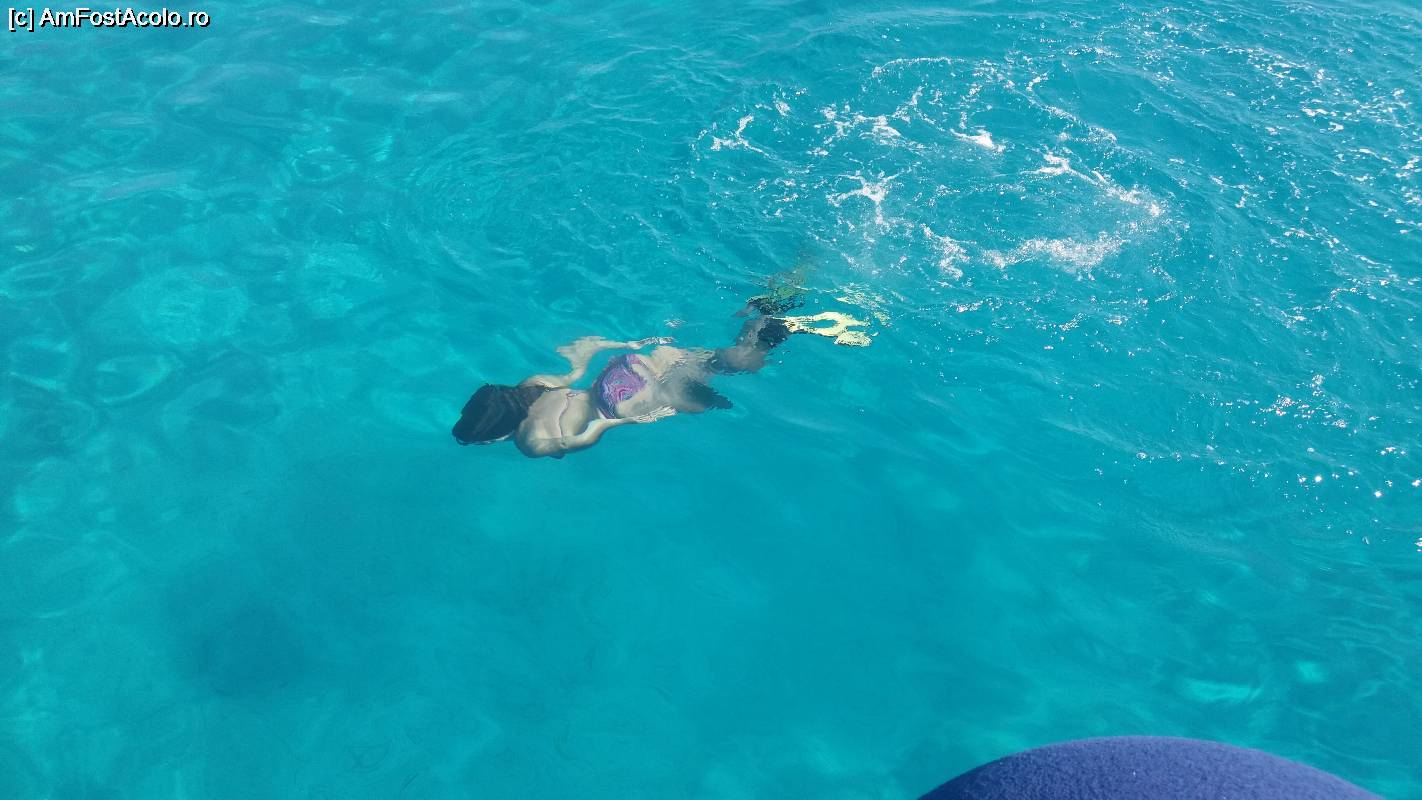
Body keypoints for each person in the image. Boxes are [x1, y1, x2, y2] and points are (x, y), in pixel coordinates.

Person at [451, 302, 869, 458]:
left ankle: (792, 325)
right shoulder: (532, 386)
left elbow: (580, 440)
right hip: (620, 371)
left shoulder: (530, 444)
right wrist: (622, 344)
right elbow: (577, 367)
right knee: (710, 362)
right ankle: (768, 308)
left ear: (493, 436)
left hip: (619, 403)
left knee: (726, 372)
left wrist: (624, 421)